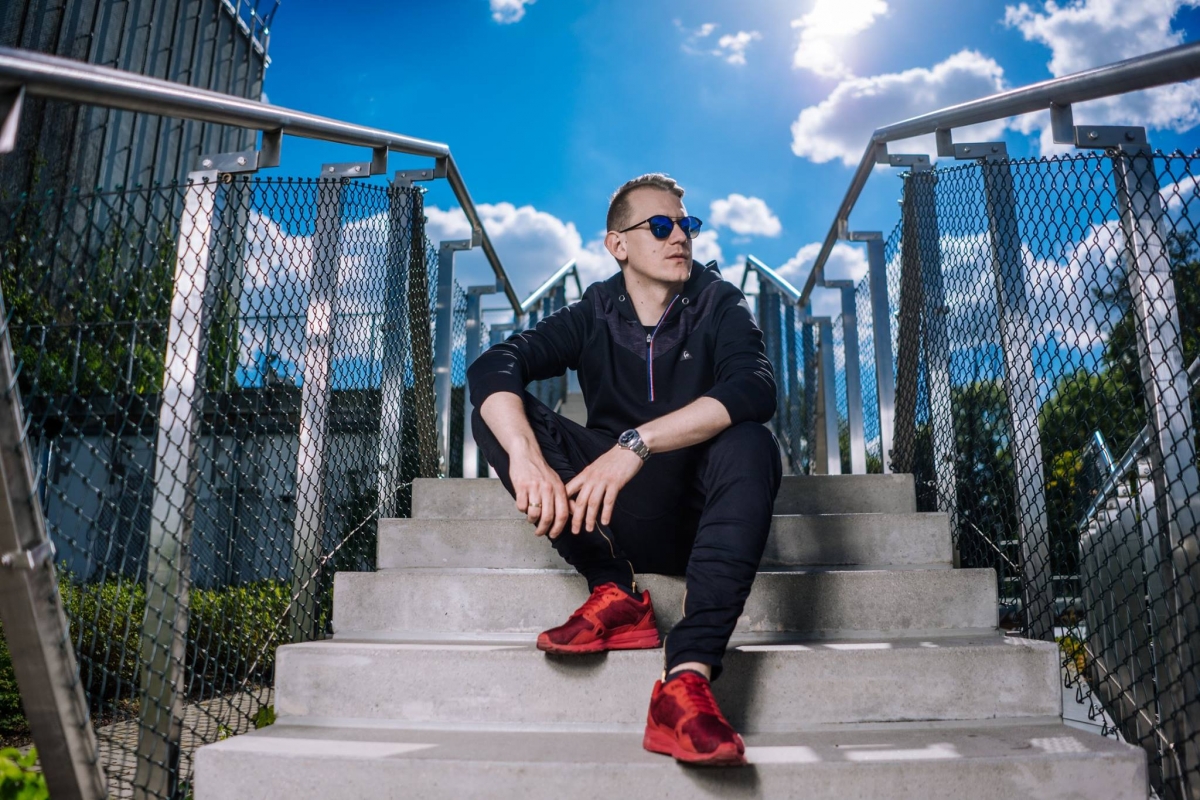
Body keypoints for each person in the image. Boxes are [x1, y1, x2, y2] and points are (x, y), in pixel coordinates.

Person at [467, 173, 781, 767]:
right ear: (618, 245)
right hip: (615, 514)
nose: (679, 237)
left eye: (687, 225)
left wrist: (635, 444)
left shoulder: (719, 301)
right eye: (660, 226)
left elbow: (754, 387)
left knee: (751, 442)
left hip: (700, 516)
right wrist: (526, 457)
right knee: (501, 412)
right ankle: (614, 592)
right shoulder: (594, 311)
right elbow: (494, 363)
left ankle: (684, 680)